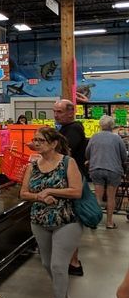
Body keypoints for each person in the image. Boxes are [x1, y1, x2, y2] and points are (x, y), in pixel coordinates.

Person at [20, 126, 83, 298]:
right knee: (47, 264)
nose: (36, 143)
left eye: (40, 140)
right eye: (34, 140)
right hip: (39, 220)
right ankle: (63, 297)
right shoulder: (33, 166)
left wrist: (50, 190)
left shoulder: (67, 162)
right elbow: (23, 193)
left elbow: (76, 191)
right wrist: (38, 196)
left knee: (58, 265)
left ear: (54, 143)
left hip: (66, 220)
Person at [54, 99, 87, 276]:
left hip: (72, 181)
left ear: (70, 112)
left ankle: (73, 263)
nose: (55, 115)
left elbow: (64, 153)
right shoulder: (65, 129)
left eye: (59, 112)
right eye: (54, 111)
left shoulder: (73, 129)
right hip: (69, 180)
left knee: (71, 222)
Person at [86, 115, 127, 229]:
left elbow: (87, 153)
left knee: (98, 197)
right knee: (111, 197)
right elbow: (124, 156)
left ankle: (95, 222)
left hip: (96, 169)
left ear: (100, 125)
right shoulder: (117, 138)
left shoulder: (94, 137)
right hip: (113, 170)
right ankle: (109, 223)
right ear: (112, 125)